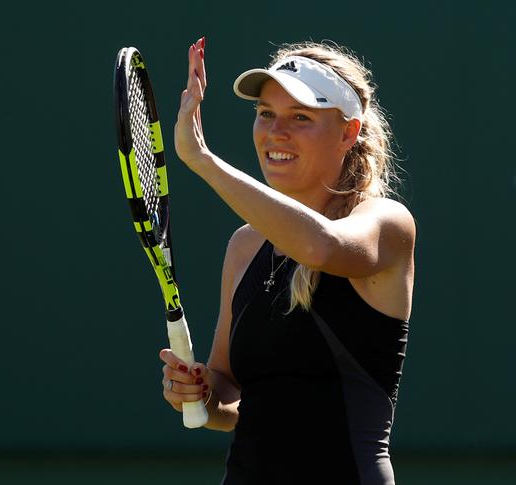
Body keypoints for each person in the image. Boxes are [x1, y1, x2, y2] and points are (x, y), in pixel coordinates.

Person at [158, 36, 415, 484]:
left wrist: (202, 161)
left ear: (348, 132)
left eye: (300, 117)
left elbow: (321, 248)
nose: (277, 132)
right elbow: (228, 391)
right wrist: (199, 393)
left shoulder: (387, 223)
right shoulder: (244, 246)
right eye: (266, 114)